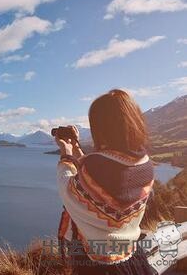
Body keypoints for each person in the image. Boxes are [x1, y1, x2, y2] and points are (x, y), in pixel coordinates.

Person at [55, 89, 155, 275]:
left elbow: (69, 190)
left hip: (95, 264)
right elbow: (98, 177)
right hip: (131, 258)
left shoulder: (96, 166)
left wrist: (66, 155)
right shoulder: (145, 164)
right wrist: (77, 148)